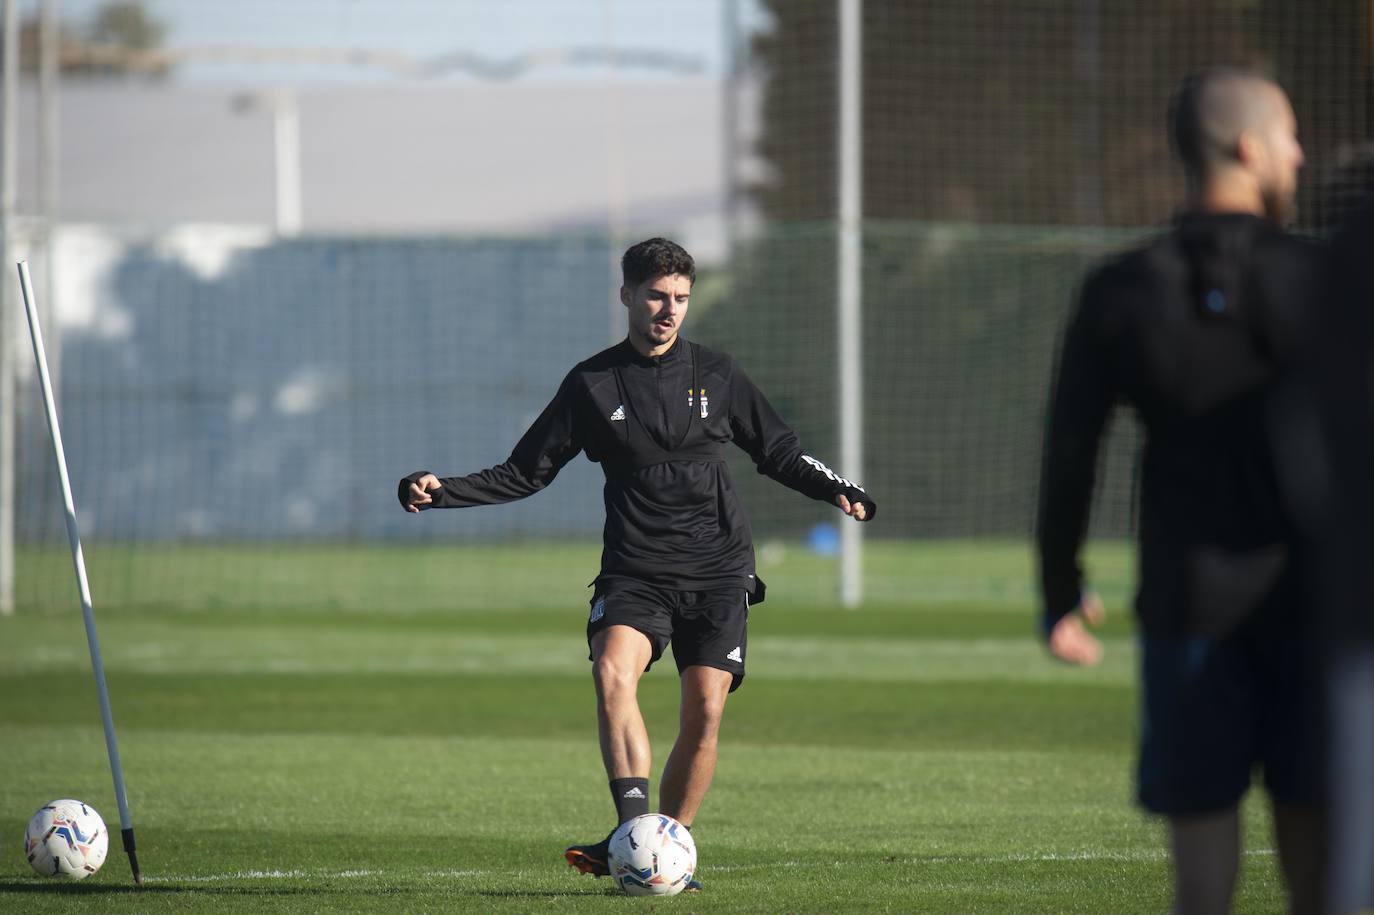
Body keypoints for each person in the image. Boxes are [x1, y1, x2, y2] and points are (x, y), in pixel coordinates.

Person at [398, 237, 875, 891]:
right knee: (611, 671)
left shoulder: (719, 373)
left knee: (705, 709)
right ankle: (631, 835)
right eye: (656, 294)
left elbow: (780, 450)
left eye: (680, 297)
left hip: (717, 566)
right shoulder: (592, 383)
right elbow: (524, 471)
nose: (668, 309)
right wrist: (443, 489)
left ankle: (667, 850)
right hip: (635, 568)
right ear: (626, 294)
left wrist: (836, 487)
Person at [1036, 69, 1322, 913]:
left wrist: (1058, 587)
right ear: (1248, 147)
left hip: (1186, 599)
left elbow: (1070, 452)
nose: (1300, 155)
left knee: (1200, 881)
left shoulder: (1121, 287)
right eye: (1290, 137)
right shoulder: (1326, 279)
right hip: (1313, 599)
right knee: (1323, 868)